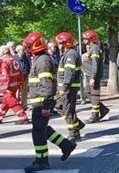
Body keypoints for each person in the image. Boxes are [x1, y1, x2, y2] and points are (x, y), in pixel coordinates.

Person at [23, 32, 77, 172]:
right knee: (43, 129)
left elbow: (46, 85)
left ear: (34, 46)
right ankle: (66, 145)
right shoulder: (41, 59)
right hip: (40, 102)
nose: (27, 49)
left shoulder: (42, 61)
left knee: (38, 132)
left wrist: (46, 106)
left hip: (42, 103)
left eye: (28, 46)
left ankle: (42, 161)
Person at [55, 32, 85, 142]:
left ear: (66, 43)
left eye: (60, 43)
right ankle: (77, 124)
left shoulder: (70, 55)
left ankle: (74, 133)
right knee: (59, 106)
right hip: (67, 87)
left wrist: (64, 87)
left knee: (68, 110)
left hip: (69, 88)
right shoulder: (68, 53)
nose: (58, 45)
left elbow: (69, 73)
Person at [0, 46, 29, 125]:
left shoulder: (4, 61)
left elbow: (4, 76)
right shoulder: (13, 60)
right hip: (14, 85)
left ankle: (23, 117)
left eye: (0, 52)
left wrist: (3, 87)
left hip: (8, 86)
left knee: (12, 101)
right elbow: (20, 72)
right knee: (6, 101)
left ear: (3, 52)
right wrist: (20, 83)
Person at [82, 30, 110, 124]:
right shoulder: (91, 48)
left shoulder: (94, 48)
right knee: (88, 92)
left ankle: (95, 116)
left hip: (93, 76)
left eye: (86, 39)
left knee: (94, 95)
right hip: (89, 75)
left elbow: (95, 63)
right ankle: (102, 109)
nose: (84, 40)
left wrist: (93, 77)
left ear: (91, 39)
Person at [14, 45, 31, 109]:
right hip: (17, 77)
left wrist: (27, 73)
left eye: (24, 50)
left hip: (25, 76)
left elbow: (28, 65)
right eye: (22, 50)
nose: (24, 51)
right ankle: (17, 106)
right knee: (17, 92)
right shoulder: (14, 58)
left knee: (25, 91)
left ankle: (24, 106)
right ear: (18, 51)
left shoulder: (25, 57)